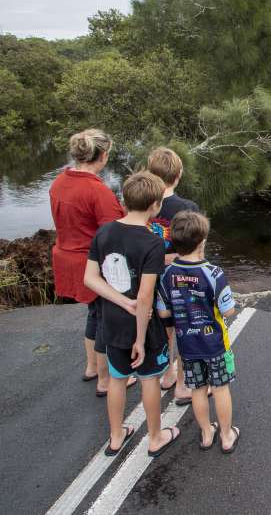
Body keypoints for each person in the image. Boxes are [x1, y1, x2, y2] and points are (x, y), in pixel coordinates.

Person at [84, 172, 181, 457]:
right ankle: (155, 437)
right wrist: (139, 337)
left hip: (111, 321)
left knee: (117, 378)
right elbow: (144, 296)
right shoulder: (151, 242)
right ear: (155, 205)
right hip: (142, 325)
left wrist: (119, 301)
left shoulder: (104, 231)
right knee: (149, 379)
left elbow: (90, 278)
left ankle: (116, 436)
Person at [49, 129, 135, 396]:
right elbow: (113, 234)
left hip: (67, 257)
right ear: (103, 155)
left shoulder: (59, 183)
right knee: (105, 319)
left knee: (94, 314)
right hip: (93, 264)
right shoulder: (96, 191)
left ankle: (91, 367)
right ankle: (105, 379)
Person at [156, 211, 240, 453]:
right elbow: (229, 310)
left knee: (198, 389)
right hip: (215, 343)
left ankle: (206, 433)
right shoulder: (214, 273)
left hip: (187, 346)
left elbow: (163, 313)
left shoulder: (168, 274)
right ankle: (226, 435)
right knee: (221, 388)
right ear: (202, 241)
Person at [146, 147, 200, 404]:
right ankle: (182, 383)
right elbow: (197, 247)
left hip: (153, 280)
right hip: (180, 280)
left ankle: (167, 372)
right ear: (178, 175)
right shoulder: (187, 207)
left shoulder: (143, 205)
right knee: (185, 327)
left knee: (164, 326)